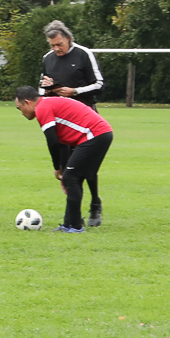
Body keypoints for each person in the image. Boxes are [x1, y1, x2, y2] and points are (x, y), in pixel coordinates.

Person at [14, 85, 112, 233]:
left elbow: (52, 142)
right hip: (100, 134)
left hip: (95, 135)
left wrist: (57, 167)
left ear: (27, 102)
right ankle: (69, 224)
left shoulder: (42, 108)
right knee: (72, 177)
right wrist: (63, 169)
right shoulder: (47, 103)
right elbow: (62, 143)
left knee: (71, 177)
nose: (21, 112)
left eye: (19, 108)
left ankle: (76, 227)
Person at [37, 19, 106, 224]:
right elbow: (41, 90)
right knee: (68, 168)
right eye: (52, 45)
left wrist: (74, 91)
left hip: (86, 118)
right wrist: (46, 88)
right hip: (62, 121)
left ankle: (95, 204)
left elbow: (99, 84)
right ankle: (75, 216)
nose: (56, 49)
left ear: (68, 38)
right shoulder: (48, 58)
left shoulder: (83, 54)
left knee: (87, 166)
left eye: (59, 44)